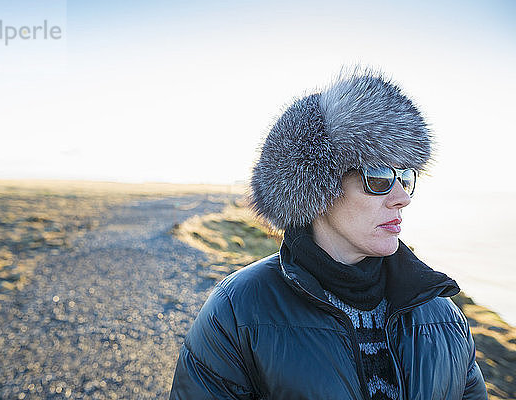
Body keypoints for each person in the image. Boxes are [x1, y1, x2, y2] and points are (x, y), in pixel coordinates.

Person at [169, 68, 488, 399]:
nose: (402, 197)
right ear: (317, 189)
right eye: (378, 177)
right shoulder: (237, 312)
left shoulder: (443, 317)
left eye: (406, 176)